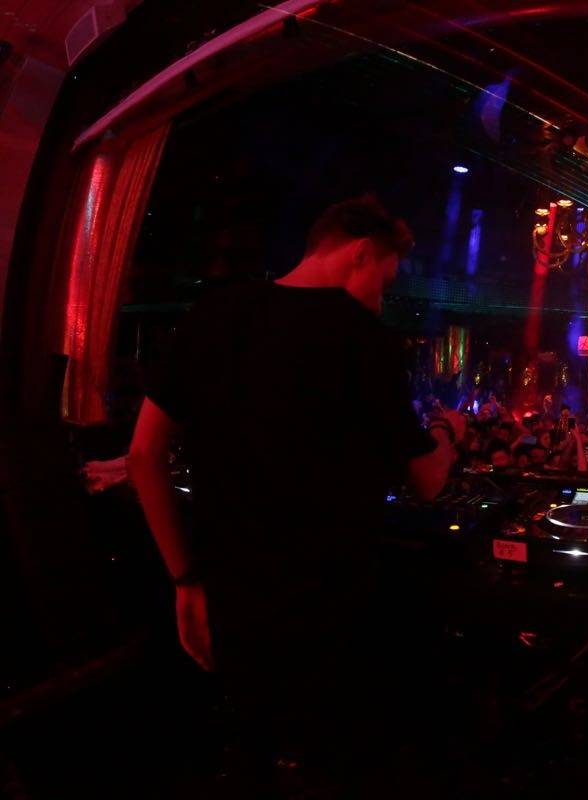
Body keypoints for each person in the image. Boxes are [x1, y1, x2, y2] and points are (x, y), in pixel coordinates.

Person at [127, 195, 462, 791]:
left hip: (231, 594)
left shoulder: (213, 313)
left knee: (248, 750)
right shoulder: (364, 340)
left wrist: (184, 580)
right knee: (331, 758)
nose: (382, 298)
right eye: (384, 281)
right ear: (361, 254)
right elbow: (428, 480)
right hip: (333, 607)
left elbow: (142, 456)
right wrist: (447, 432)